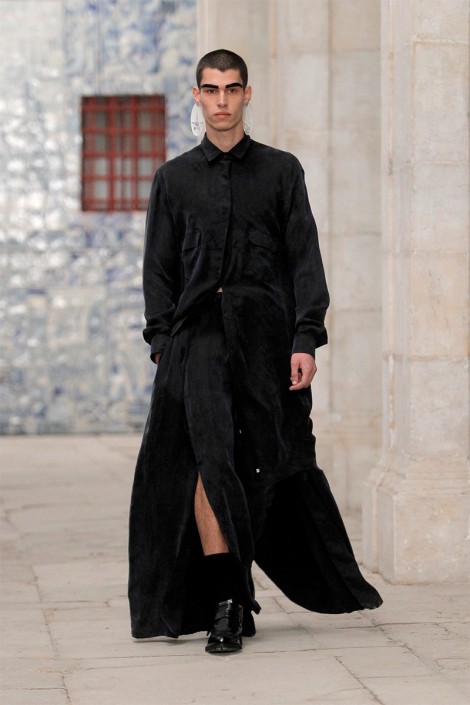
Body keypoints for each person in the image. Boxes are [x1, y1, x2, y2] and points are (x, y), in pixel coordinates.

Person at [128, 49, 382, 655]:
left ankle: (238, 590)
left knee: (264, 465)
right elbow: (158, 268)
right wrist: (162, 343)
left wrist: (305, 337)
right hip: (196, 344)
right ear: (197, 95)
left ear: (247, 94)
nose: (221, 100)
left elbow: (304, 259)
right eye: (211, 89)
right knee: (207, 462)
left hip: (267, 344)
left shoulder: (281, 172)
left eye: (231, 89)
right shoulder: (173, 179)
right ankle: (225, 602)